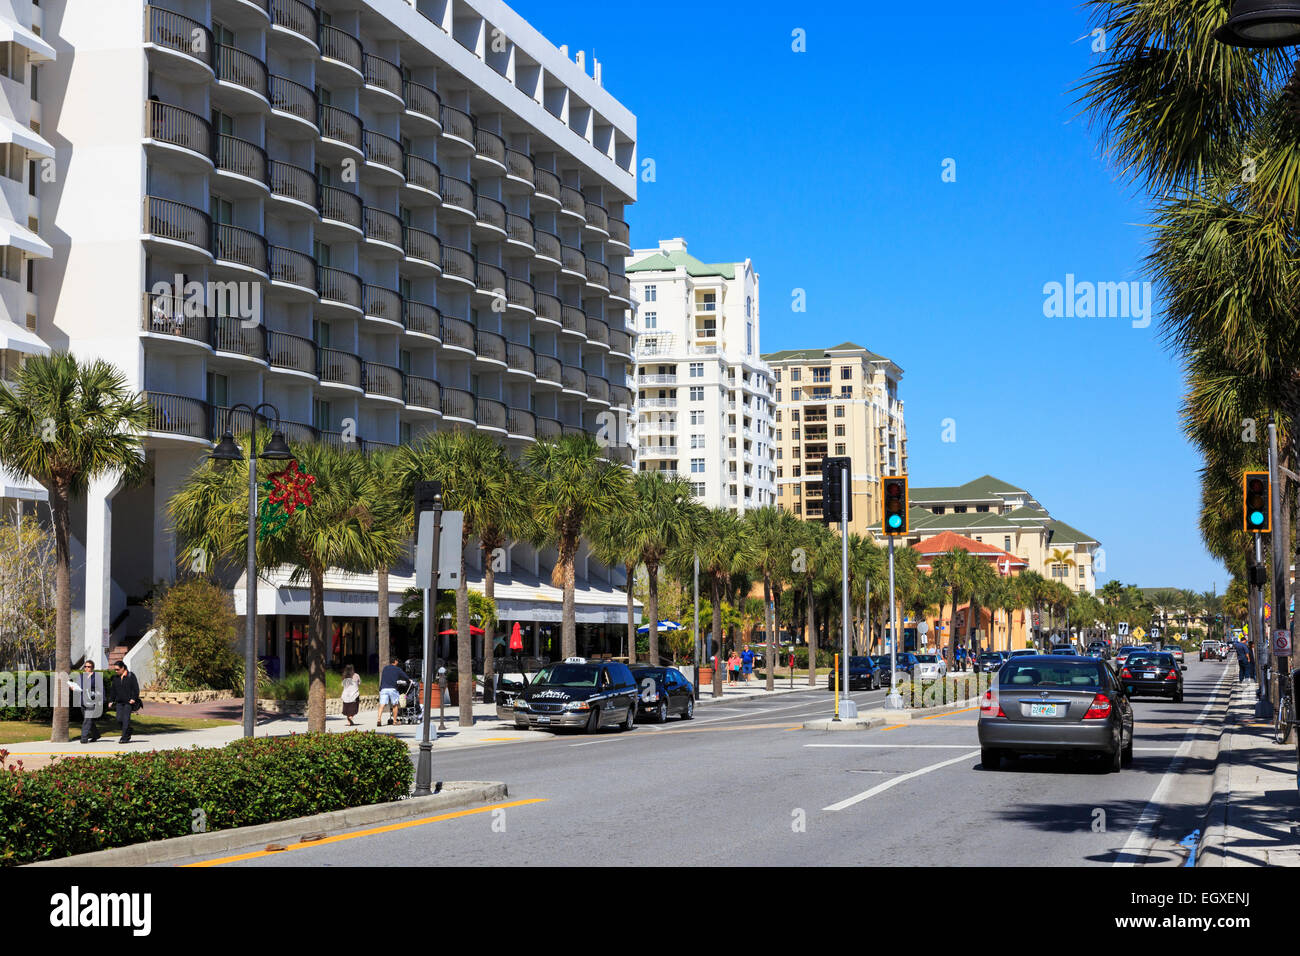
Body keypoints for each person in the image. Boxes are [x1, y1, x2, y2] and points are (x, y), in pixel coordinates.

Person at [70, 660, 103, 744]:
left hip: (92, 701)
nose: (86, 668)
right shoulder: (81, 676)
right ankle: (96, 735)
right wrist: (73, 688)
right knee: (88, 720)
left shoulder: (96, 676)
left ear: (92, 668)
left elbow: (101, 689)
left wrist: (101, 699)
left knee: (87, 720)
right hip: (82, 700)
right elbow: (78, 687)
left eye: (89, 667)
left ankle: (84, 738)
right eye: (85, 666)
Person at [108, 661, 140, 744]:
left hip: (128, 702)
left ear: (123, 668)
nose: (116, 671)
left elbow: (135, 689)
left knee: (126, 719)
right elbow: (113, 690)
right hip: (119, 702)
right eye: (115, 669)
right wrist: (111, 700)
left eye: (117, 669)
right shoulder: (115, 678)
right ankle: (128, 730)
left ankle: (124, 737)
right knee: (119, 719)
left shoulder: (130, 676)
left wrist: (133, 698)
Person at [378, 657, 409, 727]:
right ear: (395, 661)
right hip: (392, 689)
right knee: (395, 705)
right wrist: (409, 680)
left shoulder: (385, 668)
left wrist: (381, 688)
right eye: (397, 661)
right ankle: (395, 721)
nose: (397, 662)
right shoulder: (398, 669)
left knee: (382, 705)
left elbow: (383, 678)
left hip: (384, 688)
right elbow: (405, 676)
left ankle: (379, 719)